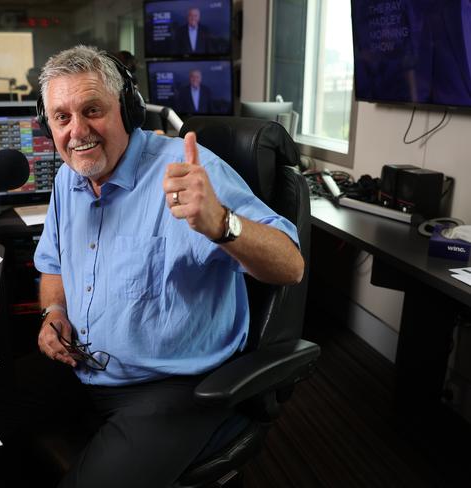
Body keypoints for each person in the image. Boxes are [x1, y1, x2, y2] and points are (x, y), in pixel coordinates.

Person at [33, 45, 303, 488]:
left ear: (127, 110)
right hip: (83, 367)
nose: (77, 130)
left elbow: (290, 265)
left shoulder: (186, 172)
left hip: (172, 388)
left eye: (93, 110)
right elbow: (53, 266)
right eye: (61, 117)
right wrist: (54, 313)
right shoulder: (69, 178)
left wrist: (221, 224)